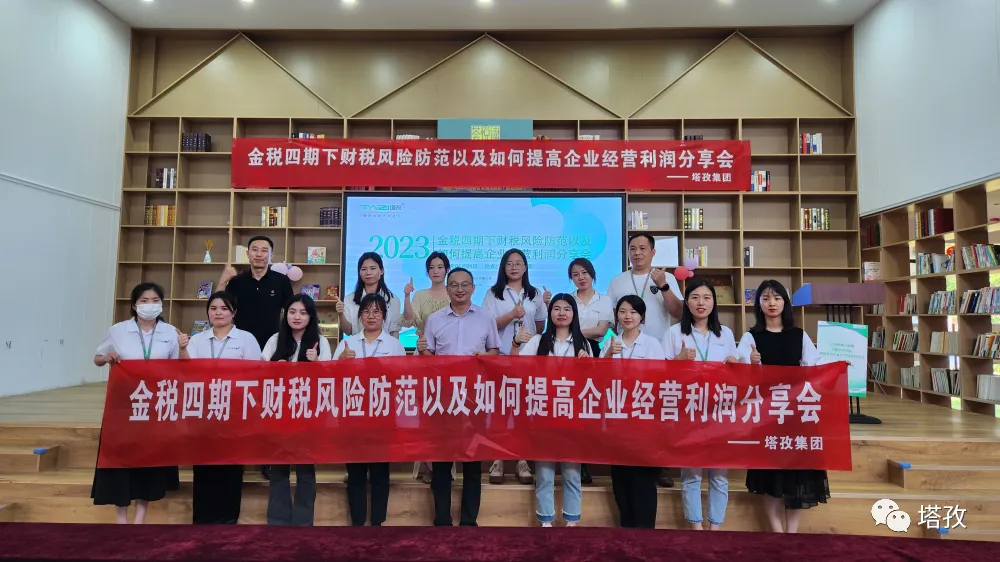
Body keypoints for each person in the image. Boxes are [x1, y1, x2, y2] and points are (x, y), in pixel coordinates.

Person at [736, 279, 828, 534]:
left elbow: (813, 369)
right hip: (767, 416)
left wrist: (836, 368)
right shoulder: (750, 338)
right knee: (770, 476)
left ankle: (792, 532)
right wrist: (753, 364)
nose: (772, 303)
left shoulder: (799, 336)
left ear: (785, 303)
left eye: (777, 298)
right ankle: (777, 531)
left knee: (797, 475)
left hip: (797, 414)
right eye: (765, 298)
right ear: (758, 304)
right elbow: (741, 380)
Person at [91, 282, 182, 524]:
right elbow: (97, 358)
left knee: (148, 460)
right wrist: (107, 357)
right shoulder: (118, 330)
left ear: (161, 304)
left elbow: (179, 367)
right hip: (124, 405)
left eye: (155, 300)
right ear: (134, 305)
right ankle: (121, 517)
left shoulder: (170, 332)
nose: (149, 305)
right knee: (122, 460)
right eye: (144, 300)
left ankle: (140, 517)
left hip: (156, 405)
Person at [418, 267, 501, 526]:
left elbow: (495, 352)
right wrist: (423, 350)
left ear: (473, 288)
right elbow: (428, 358)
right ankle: (442, 519)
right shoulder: (435, 319)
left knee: (473, 464)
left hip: (475, 399)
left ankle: (468, 521)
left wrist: (483, 358)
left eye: (465, 284)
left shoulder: (485, 317)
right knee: (442, 463)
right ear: (447, 289)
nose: (460, 289)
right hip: (443, 399)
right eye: (454, 285)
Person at [606, 234, 683, 488]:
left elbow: (678, 313)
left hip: (657, 353)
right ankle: (624, 460)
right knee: (625, 413)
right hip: (626, 353)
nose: (637, 253)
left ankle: (658, 465)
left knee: (656, 412)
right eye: (632, 248)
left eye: (642, 248)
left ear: (653, 252)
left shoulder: (665, 278)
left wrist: (663, 286)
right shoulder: (618, 281)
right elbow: (611, 320)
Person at [662, 279, 739, 531]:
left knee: (719, 474)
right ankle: (696, 528)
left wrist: (734, 364)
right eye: (695, 297)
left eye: (706, 297)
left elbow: (736, 375)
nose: (701, 303)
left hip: (720, 411)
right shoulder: (674, 333)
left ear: (714, 302)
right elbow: (660, 374)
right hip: (689, 410)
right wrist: (679, 359)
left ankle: (715, 529)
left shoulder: (725, 334)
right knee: (691, 474)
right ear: (686, 302)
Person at [179, 291, 261, 525]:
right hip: (204, 410)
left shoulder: (246, 339)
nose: (218, 313)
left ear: (234, 313)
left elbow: (256, 374)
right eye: (213, 308)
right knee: (203, 465)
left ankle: (228, 518)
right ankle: (202, 518)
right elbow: (187, 372)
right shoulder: (197, 340)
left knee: (231, 464)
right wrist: (182, 349)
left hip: (234, 410)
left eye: (224, 308)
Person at [217, 235, 293, 481]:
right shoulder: (236, 282)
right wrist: (223, 279)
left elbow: (292, 313)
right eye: (255, 250)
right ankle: (238, 457)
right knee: (241, 404)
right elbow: (217, 307)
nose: (259, 254)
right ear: (247, 254)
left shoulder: (281, 281)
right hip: (240, 350)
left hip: (272, 349)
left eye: (264, 250)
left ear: (271, 255)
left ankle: (268, 459)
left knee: (269, 405)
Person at [511, 294, 589, 527]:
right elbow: (515, 368)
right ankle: (546, 521)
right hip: (543, 415)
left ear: (574, 314)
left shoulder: (583, 344)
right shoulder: (538, 341)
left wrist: (588, 366)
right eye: (556, 308)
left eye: (567, 309)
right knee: (544, 474)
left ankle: (572, 521)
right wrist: (515, 343)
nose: (561, 313)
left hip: (572, 416)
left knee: (572, 474)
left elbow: (591, 384)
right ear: (550, 312)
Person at [333, 294, 406, 526]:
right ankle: (357, 523)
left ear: (384, 316)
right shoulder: (348, 343)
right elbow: (332, 379)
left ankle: (377, 523)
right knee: (355, 472)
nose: (371, 316)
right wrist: (341, 361)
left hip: (383, 417)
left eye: (376, 311)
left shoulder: (394, 345)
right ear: (359, 316)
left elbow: (403, 380)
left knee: (380, 472)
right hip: (353, 415)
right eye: (366, 311)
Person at [260, 294, 331, 526]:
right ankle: (278, 521)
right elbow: (259, 373)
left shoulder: (320, 341)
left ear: (311, 316)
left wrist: (317, 362)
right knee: (279, 469)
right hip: (279, 413)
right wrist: (274, 367)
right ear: (285, 315)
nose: (297, 317)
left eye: (303, 312)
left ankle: (303, 522)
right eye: (292, 312)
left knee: (305, 471)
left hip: (307, 414)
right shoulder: (275, 340)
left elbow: (330, 379)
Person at [545, 257, 613, 485]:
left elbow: (601, 330)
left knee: (584, 408)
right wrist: (566, 330)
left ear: (592, 274)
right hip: (563, 350)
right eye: (575, 274)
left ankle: (582, 463)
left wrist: (571, 330)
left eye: (584, 273)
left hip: (589, 352)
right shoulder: (567, 300)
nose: (581, 277)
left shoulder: (604, 300)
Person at [482, 248, 545, 485]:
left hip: (528, 358)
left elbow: (540, 325)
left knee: (524, 410)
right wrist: (511, 315)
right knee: (500, 409)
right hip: (501, 356)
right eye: (509, 263)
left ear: (525, 267)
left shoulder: (534, 293)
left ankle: (522, 460)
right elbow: (487, 325)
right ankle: (498, 459)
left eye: (519, 263)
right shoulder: (493, 293)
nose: (514, 267)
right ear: (503, 267)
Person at [602, 295, 666, 529]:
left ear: (642, 316)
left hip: (643, 420)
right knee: (620, 478)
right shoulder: (610, 343)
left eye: (633, 312)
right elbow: (599, 379)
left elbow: (660, 379)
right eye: (622, 311)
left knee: (643, 479)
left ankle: (645, 532)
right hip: (617, 419)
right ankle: (627, 531)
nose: (627, 316)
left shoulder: (651, 344)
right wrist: (609, 355)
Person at [401, 251, 452, 484]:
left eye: (440, 266)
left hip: (450, 360)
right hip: (424, 356)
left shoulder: (455, 293)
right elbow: (409, 320)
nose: (436, 271)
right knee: (427, 412)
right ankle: (429, 465)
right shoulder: (420, 295)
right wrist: (407, 296)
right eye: (432, 267)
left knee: (448, 414)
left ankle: (444, 465)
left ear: (447, 269)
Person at [336, 252, 401, 337]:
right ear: (359, 272)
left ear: (381, 271)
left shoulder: (393, 299)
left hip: (385, 345)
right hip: (358, 344)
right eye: (363, 269)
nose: (368, 272)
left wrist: (395, 346)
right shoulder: (350, 298)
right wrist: (340, 314)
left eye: (373, 268)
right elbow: (348, 331)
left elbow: (394, 332)